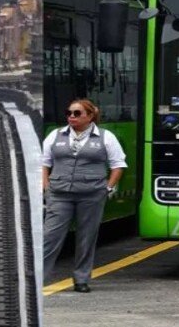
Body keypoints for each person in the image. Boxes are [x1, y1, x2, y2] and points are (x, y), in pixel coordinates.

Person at [42, 98, 126, 293]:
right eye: (69, 113)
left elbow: (118, 164)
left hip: (92, 195)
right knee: (50, 236)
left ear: (90, 116)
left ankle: (81, 279)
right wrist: (45, 187)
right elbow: (44, 162)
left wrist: (108, 188)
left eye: (77, 113)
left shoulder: (106, 137)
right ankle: (39, 277)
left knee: (86, 237)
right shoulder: (55, 135)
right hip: (59, 193)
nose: (72, 117)